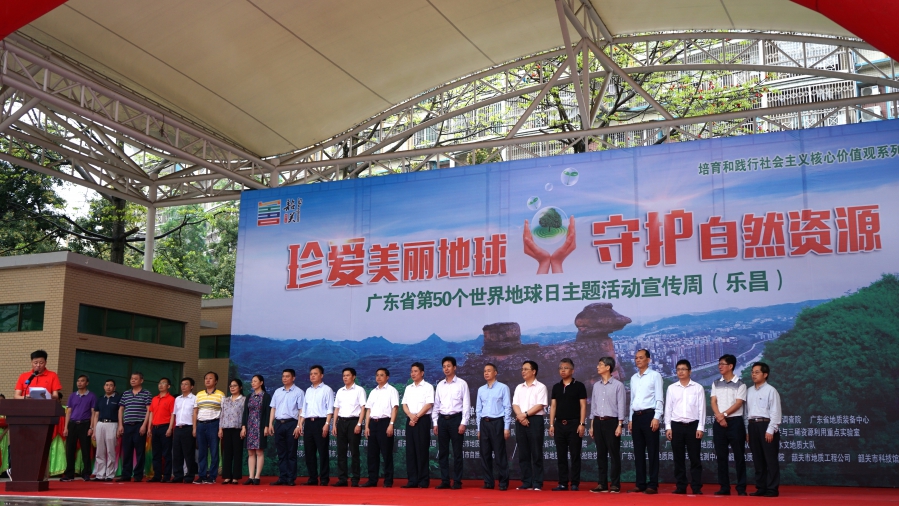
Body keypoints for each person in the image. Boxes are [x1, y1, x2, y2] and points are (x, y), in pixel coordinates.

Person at [665, 359, 706, 495]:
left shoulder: (698, 388)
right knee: (678, 458)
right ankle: (681, 486)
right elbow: (668, 409)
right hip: (676, 426)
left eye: (683, 369)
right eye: (678, 369)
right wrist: (668, 427)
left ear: (690, 371)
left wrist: (700, 427)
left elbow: (702, 409)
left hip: (693, 426)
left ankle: (696, 487)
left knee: (695, 458)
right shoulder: (671, 388)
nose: (680, 372)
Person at [711, 354, 748, 496]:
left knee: (739, 456)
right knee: (721, 456)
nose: (720, 366)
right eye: (719, 364)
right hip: (719, 422)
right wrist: (719, 417)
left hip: (735, 422)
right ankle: (724, 487)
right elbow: (713, 401)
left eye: (723, 364)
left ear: (731, 366)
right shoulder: (716, 383)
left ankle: (741, 488)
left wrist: (724, 415)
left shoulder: (740, 384)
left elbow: (738, 403)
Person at [628, 349, 663, 494]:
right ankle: (640, 483)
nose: (638, 360)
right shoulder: (633, 378)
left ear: (648, 360)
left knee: (652, 451)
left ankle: (653, 484)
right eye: (636, 358)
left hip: (650, 416)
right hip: (636, 416)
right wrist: (630, 418)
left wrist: (657, 417)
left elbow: (659, 398)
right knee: (638, 451)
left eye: (641, 358)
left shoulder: (655, 376)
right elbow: (632, 400)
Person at [589, 356, 626, 494]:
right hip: (598, 422)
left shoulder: (618, 385)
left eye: (600, 364)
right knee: (601, 454)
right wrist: (592, 425)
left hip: (612, 422)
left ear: (608, 367)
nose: (597, 367)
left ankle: (615, 484)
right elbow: (593, 406)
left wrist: (620, 424)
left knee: (614, 454)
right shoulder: (596, 386)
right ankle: (602, 484)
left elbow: (621, 406)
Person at [549, 358, 587, 491]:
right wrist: (551, 424)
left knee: (575, 454)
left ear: (572, 370)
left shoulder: (579, 386)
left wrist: (582, 423)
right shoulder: (556, 387)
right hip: (559, 424)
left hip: (574, 424)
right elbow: (553, 406)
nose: (563, 370)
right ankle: (563, 483)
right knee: (561, 454)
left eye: (566, 368)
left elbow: (583, 406)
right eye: (560, 368)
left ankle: (575, 483)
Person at [432, 356, 469, 489]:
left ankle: (457, 481)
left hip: (456, 420)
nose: (446, 369)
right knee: (443, 452)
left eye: (448, 366)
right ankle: (445, 481)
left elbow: (466, 404)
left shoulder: (462, 384)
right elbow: (436, 405)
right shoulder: (440, 385)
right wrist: (435, 422)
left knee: (457, 452)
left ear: (454, 367)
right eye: (444, 367)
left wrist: (463, 422)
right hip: (442, 420)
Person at [746, 362, 782, 498]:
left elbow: (776, 412)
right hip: (752, 426)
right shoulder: (748, 391)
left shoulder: (771, 390)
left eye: (757, 372)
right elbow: (746, 413)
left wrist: (771, 430)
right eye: (752, 372)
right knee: (758, 459)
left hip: (766, 425)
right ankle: (761, 488)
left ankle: (772, 489)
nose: (753, 374)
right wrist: (747, 431)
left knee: (770, 459)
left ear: (765, 375)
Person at [475, 363, 511, 491]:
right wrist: (479, 428)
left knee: (499, 453)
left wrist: (506, 427)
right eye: (485, 371)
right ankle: (488, 482)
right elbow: (478, 410)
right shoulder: (481, 389)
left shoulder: (503, 388)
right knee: (485, 454)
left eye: (489, 370)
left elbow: (507, 408)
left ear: (495, 373)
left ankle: (503, 482)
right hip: (484, 423)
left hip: (497, 422)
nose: (486, 373)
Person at [512, 360, 547, 491]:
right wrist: (521, 416)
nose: (523, 371)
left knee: (536, 452)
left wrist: (524, 415)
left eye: (526, 369)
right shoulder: (519, 387)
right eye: (522, 369)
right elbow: (515, 404)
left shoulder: (541, 387)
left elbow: (540, 405)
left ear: (534, 371)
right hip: (521, 420)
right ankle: (526, 482)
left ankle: (537, 482)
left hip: (535, 420)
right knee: (523, 453)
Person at [361, 368, 398, 488]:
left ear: (387, 377)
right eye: (377, 375)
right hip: (373, 423)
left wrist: (391, 424)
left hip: (385, 423)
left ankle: (388, 481)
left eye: (382, 375)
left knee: (386, 453)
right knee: (372, 454)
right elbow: (368, 410)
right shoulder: (373, 392)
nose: (379, 377)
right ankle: (372, 480)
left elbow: (395, 408)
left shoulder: (392, 390)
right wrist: (366, 426)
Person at [299, 365, 334, 486]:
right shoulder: (308, 390)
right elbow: (304, 410)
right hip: (308, 423)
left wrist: (327, 424)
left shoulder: (327, 390)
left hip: (321, 422)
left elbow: (330, 409)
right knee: (309, 451)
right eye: (311, 374)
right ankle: (312, 478)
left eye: (315, 373)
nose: (312, 376)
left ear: (321, 375)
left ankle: (324, 478)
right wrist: (300, 425)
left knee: (323, 451)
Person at [268, 369, 304, 486]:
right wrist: (270, 424)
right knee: (281, 452)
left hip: (291, 424)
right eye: (283, 376)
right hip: (278, 423)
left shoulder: (299, 392)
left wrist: (298, 425)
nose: (284, 378)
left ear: (293, 378)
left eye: (287, 376)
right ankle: (282, 477)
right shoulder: (278, 391)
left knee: (291, 452)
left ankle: (290, 478)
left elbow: (301, 410)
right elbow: (273, 408)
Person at [332, 367, 366, 487]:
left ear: (354, 377)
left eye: (347, 375)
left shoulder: (359, 390)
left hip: (353, 422)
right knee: (341, 452)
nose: (345, 377)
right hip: (341, 422)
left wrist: (359, 424)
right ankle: (342, 479)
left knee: (354, 451)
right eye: (344, 375)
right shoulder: (340, 391)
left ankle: (355, 479)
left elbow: (363, 408)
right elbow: (336, 408)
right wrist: (334, 424)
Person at [401, 362, 433, 489]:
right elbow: (404, 404)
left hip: (422, 420)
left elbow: (429, 404)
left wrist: (416, 417)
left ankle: (423, 480)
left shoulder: (428, 387)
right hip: (410, 420)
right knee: (411, 451)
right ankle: (412, 480)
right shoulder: (408, 388)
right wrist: (410, 415)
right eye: (411, 371)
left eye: (415, 371)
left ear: (422, 373)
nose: (413, 374)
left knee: (422, 450)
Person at [61, 374, 97, 482]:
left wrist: (91, 428)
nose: (79, 383)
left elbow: (93, 413)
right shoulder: (72, 396)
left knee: (85, 449)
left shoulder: (92, 396)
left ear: (87, 383)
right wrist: (66, 427)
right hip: (72, 424)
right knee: (70, 449)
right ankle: (69, 474)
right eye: (78, 381)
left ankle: (86, 473)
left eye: (82, 381)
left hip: (85, 424)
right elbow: (68, 412)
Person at [117, 371, 152, 482]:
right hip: (127, 425)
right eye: (132, 378)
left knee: (140, 451)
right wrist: (120, 425)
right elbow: (121, 409)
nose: (133, 380)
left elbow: (149, 410)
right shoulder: (126, 393)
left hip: (139, 425)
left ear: (141, 380)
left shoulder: (146, 393)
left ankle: (138, 475)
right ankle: (126, 474)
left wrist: (144, 425)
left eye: (135, 379)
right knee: (127, 451)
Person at [193, 371, 224, 484]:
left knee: (214, 451)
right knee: (202, 451)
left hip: (214, 424)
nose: (207, 380)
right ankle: (202, 475)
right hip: (201, 424)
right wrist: (194, 428)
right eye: (206, 378)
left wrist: (220, 429)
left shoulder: (220, 394)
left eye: (210, 378)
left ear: (216, 381)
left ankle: (212, 476)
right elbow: (195, 412)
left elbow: (223, 413)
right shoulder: (199, 394)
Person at [242, 374, 271, 485]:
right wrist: (244, 426)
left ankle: (257, 476)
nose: (252, 383)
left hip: (260, 426)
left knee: (259, 451)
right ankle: (250, 476)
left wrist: (266, 426)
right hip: (250, 426)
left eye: (255, 381)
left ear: (261, 382)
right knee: (250, 452)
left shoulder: (266, 396)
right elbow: (245, 412)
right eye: (252, 381)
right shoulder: (249, 396)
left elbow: (268, 413)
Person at [147, 378, 175, 483]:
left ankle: (166, 476)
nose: (161, 385)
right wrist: (149, 427)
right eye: (159, 383)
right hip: (155, 428)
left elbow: (172, 414)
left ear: (168, 386)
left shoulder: (171, 399)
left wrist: (170, 428)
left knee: (166, 453)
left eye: (163, 383)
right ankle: (157, 475)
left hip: (165, 427)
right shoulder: (154, 399)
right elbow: (151, 413)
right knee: (156, 453)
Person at [92, 379, 120, 482]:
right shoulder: (100, 399)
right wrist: (94, 430)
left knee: (110, 450)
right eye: (107, 385)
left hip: (112, 424)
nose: (108, 387)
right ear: (104, 387)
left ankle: (110, 474)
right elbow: (96, 415)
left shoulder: (118, 399)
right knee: (100, 450)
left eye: (111, 385)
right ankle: (100, 474)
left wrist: (119, 427)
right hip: (100, 424)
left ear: (114, 388)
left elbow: (120, 413)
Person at [170, 377, 197, 484]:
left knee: (188, 453)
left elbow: (195, 414)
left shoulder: (194, 398)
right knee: (177, 453)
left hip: (188, 427)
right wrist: (171, 428)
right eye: (182, 384)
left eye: (186, 384)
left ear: (191, 387)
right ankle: (178, 475)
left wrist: (194, 428)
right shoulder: (177, 399)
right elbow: (174, 414)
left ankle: (190, 476)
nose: (183, 386)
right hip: (178, 428)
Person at [219, 378, 246, 484]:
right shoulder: (225, 400)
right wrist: (220, 429)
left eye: (235, 386)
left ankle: (235, 477)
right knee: (227, 453)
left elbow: (245, 415)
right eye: (231, 386)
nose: (232, 388)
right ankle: (227, 476)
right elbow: (222, 415)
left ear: (240, 387)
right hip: (226, 428)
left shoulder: (244, 400)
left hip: (238, 429)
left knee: (237, 453)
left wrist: (244, 428)